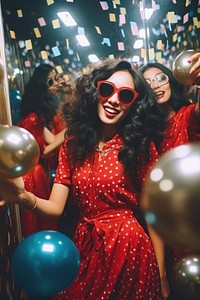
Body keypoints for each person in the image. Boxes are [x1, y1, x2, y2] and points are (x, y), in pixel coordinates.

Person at [0, 59, 169, 299]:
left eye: (126, 95)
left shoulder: (140, 146)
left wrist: (161, 273)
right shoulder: (73, 144)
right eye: (107, 89)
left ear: (134, 104)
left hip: (129, 248)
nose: (113, 100)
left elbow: (155, 215)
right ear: (95, 91)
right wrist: (24, 197)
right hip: (86, 246)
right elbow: (56, 208)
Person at [141, 51, 200, 299]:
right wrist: (160, 275)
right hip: (170, 228)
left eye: (161, 78)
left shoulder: (187, 115)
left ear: (172, 81)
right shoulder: (144, 136)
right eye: (148, 83)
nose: (155, 86)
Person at [17, 63, 66, 237]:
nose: (55, 84)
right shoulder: (33, 118)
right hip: (32, 174)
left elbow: (51, 140)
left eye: (55, 79)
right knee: (38, 220)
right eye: (49, 81)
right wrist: (68, 132)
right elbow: (41, 152)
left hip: (38, 172)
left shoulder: (39, 115)